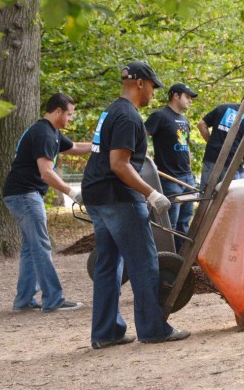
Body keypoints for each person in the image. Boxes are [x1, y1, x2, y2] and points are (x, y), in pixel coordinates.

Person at [82, 61, 190, 349]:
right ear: (140, 83)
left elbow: (101, 156)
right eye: (153, 87)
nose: (153, 94)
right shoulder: (129, 117)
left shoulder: (111, 110)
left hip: (97, 194)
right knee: (144, 262)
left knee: (109, 264)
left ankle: (107, 332)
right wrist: (151, 193)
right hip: (118, 197)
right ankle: (153, 328)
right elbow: (119, 164)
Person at [2, 93, 91, 312]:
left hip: (19, 194)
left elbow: (75, 147)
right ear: (58, 111)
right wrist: (73, 193)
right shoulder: (44, 134)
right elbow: (46, 173)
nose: (70, 119)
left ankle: (23, 300)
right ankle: (53, 299)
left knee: (31, 248)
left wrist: (100, 145)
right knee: (41, 245)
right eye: (69, 114)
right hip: (25, 195)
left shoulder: (52, 132)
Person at [145, 83, 199, 251]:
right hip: (169, 178)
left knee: (185, 220)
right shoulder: (160, 116)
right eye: (187, 96)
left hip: (187, 177)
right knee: (170, 222)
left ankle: (181, 257)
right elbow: (140, 137)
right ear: (176, 96)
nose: (190, 100)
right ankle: (167, 257)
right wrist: (146, 159)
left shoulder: (184, 120)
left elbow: (186, 145)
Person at [197, 88, 244, 188]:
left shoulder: (223, 108)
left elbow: (201, 124)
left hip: (211, 159)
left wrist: (211, 142)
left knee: (206, 196)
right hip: (232, 165)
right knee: (230, 200)